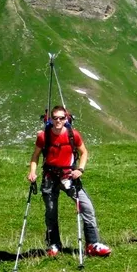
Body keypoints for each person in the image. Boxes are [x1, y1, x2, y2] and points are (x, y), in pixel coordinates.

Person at [27, 105, 111, 258]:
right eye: (55, 118)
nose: (58, 121)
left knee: (87, 208)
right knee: (51, 212)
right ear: (50, 119)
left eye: (61, 118)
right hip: (49, 177)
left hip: (69, 177)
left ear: (66, 119)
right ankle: (53, 245)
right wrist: (32, 172)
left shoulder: (73, 134)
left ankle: (93, 244)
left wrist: (80, 169)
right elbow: (35, 156)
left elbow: (84, 152)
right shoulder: (43, 136)